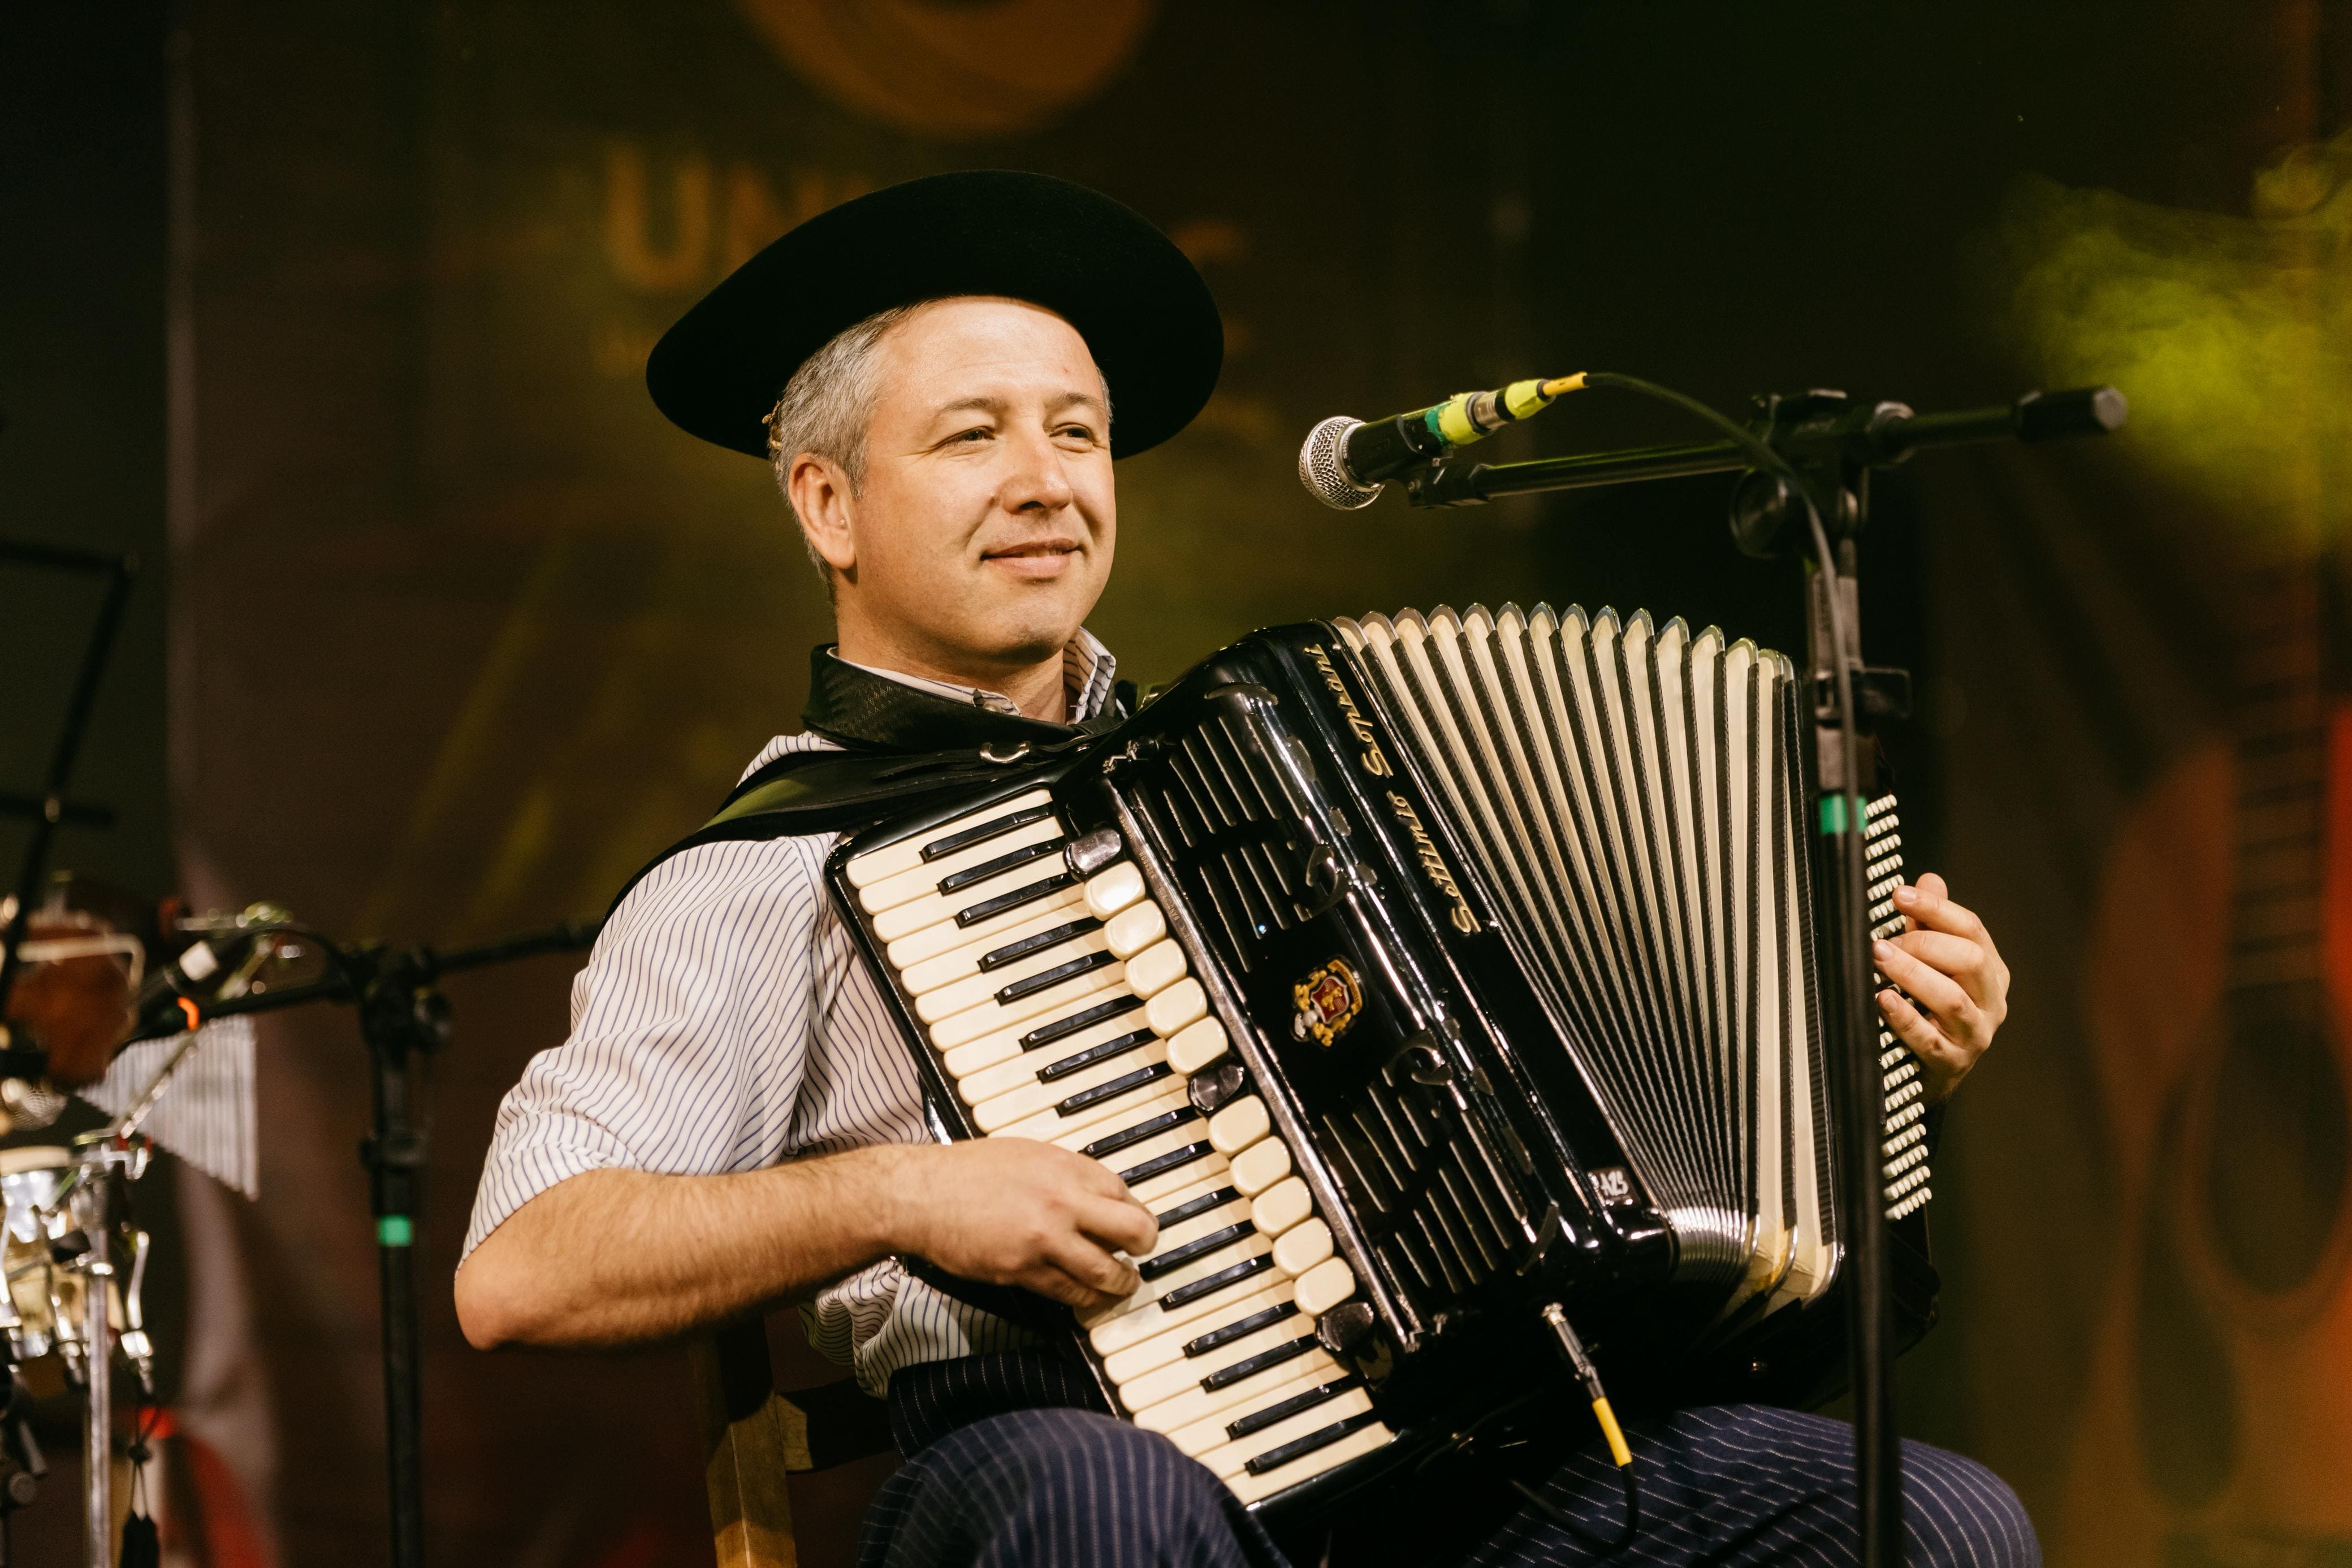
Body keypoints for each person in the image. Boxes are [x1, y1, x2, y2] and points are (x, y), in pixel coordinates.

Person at [454, 171, 2031, 1568]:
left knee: (1936, 1524)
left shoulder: (1293, 785)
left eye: (1077, 431)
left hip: (1462, 1455)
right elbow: (520, 1271)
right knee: (1113, 1512)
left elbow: (1574, 1098)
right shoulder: (758, 874)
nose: (1047, 479)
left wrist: (1878, 1057)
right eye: (971, 435)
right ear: (827, 505)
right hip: (1047, 1459)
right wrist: (901, 1190)